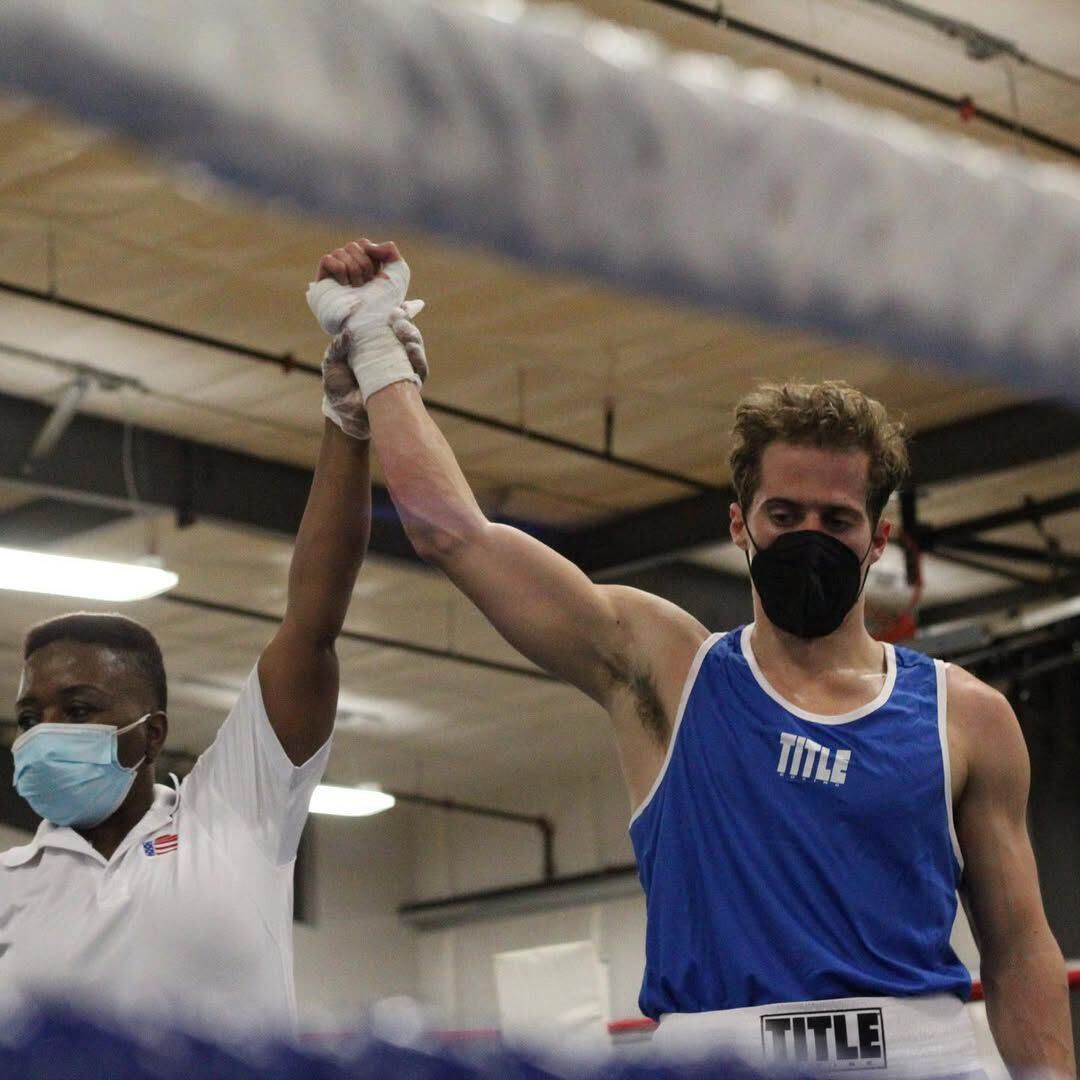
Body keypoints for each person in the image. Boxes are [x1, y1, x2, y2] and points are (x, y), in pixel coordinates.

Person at [308, 238, 1075, 1079]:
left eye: (837, 519)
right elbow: (453, 533)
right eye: (785, 515)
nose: (810, 537)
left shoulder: (965, 715)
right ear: (741, 525)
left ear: (877, 538)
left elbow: (1021, 945)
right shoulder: (667, 670)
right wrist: (379, 348)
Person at [0, 333, 390, 1035]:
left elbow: (313, 622)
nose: (45, 732)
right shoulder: (6, 888)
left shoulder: (236, 818)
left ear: (151, 735)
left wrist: (347, 423)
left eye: (79, 708)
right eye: (31, 717)